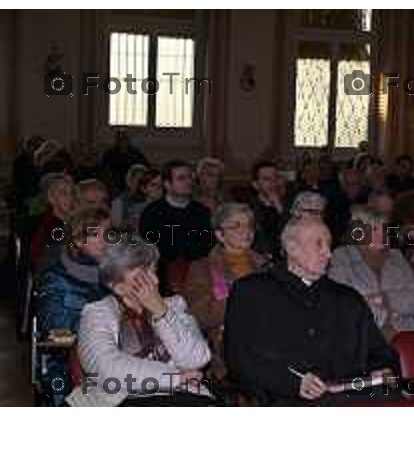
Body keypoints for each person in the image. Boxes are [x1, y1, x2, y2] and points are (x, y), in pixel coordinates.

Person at [224, 217, 399, 406]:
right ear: (292, 248)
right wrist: (294, 382)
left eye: (329, 245)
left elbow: (379, 353)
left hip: (348, 397)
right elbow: (239, 357)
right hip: (284, 399)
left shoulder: (347, 298)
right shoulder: (252, 292)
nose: (328, 253)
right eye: (319, 244)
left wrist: (382, 369)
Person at [66, 238, 213, 407]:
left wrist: (161, 312)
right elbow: (107, 369)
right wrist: (174, 378)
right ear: (117, 286)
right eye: (142, 275)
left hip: (181, 398)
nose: (155, 281)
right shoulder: (97, 313)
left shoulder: (174, 305)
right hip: (122, 401)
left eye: (154, 270)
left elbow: (197, 359)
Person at [34, 207, 111, 405]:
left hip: (110, 355)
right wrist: (94, 333)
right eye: (95, 234)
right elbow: (54, 336)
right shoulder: (55, 280)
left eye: (107, 233)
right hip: (67, 363)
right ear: (77, 240)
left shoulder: (113, 275)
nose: (105, 240)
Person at [183, 203, 268, 377]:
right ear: (220, 234)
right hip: (230, 342)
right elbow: (198, 316)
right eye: (236, 226)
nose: (246, 231)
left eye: (249, 225)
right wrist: (238, 299)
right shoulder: (202, 268)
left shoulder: (266, 265)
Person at [329, 206, 414, 338]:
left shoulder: (396, 257)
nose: (382, 234)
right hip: (365, 340)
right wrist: (392, 311)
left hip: (406, 339)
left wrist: (384, 299)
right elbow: (346, 304)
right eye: (374, 229)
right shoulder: (342, 257)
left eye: (383, 228)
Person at [139, 160, 213, 293]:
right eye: (181, 178)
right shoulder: (152, 213)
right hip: (162, 277)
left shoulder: (202, 212)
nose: (188, 182)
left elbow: (208, 245)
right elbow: (149, 249)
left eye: (190, 177)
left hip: (197, 274)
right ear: (167, 184)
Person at [29, 173, 77, 273]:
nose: (71, 198)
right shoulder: (51, 227)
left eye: (72, 193)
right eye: (63, 193)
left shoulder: (71, 222)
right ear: (51, 199)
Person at [249, 160, 287, 259]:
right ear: (255, 185)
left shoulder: (288, 205)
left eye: (275, 178)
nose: (273, 183)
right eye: (266, 179)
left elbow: (294, 231)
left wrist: (279, 206)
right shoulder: (248, 209)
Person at [110, 164, 150, 231]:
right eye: (138, 181)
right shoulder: (119, 201)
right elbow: (116, 225)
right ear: (129, 182)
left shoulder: (151, 199)